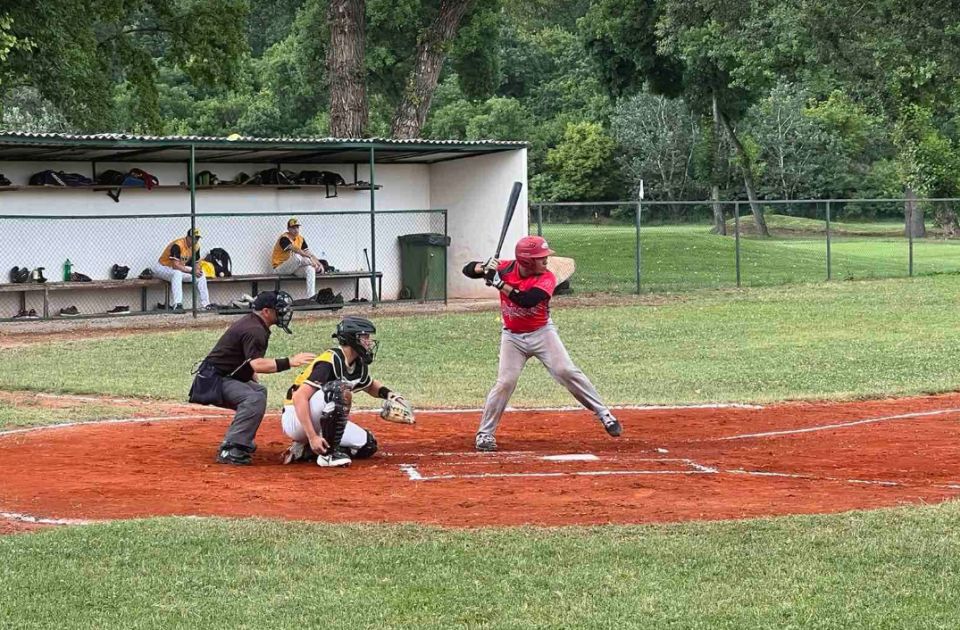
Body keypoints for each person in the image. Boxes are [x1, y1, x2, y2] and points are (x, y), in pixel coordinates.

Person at [463, 235, 622, 452]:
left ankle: (604, 414)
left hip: (542, 333)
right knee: (505, 383)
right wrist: (484, 268)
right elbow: (467, 269)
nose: (546, 260)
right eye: (540, 257)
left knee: (566, 371)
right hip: (513, 337)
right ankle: (485, 434)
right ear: (527, 261)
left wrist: (498, 283)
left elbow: (526, 301)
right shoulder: (506, 267)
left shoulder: (547, 277)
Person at [198, 290, 316, 465]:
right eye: (279, 309)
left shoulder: (255, 324)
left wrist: (250, 378)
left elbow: (246, 360)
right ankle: (231, 448)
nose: (284, 313)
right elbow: (257, 364)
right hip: (211, 381)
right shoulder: (254, 329)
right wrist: (290, 362)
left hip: (219, 377)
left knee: (258, 391)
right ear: (266, 312)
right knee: (253, 398)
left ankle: (241, 439)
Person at [279, 316, 409, 467]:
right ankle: (327, 456)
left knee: (367, 445)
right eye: (365, 337)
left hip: (316, 417)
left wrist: (390, 395)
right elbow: (299, 397)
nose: (369, 342)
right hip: (295, 418)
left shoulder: (357, 363)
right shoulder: (329, 361)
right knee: (339, 391)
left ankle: (305, 450)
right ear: (352, 338)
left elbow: (369, 384)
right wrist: (312, 436)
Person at [152, 227, 213, 311]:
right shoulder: (178, 245)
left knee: (201, 275)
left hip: (179, 268)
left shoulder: (196, 247)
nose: (196, 240)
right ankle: (177, 304)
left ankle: (206, 304)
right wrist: (192, 271)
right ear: (188, 237)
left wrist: (197, 270)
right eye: (194, 238)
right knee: (177, 273)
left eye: (197, 238)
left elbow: (196, 263)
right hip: (162, 268)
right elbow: (175, 265)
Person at [272, 217, 325, 299]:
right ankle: (313, 265)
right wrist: (313, 262)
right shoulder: (284, 238)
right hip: (280, 268)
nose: (296, 230)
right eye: (293, 228)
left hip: (294, 268)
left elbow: (309, 253)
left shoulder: (300, 238)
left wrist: (320, 264)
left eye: (297, 227)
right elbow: (296, 250)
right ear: (288, 229)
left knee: (310, 269)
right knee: (297, 257)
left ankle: (311, 298)